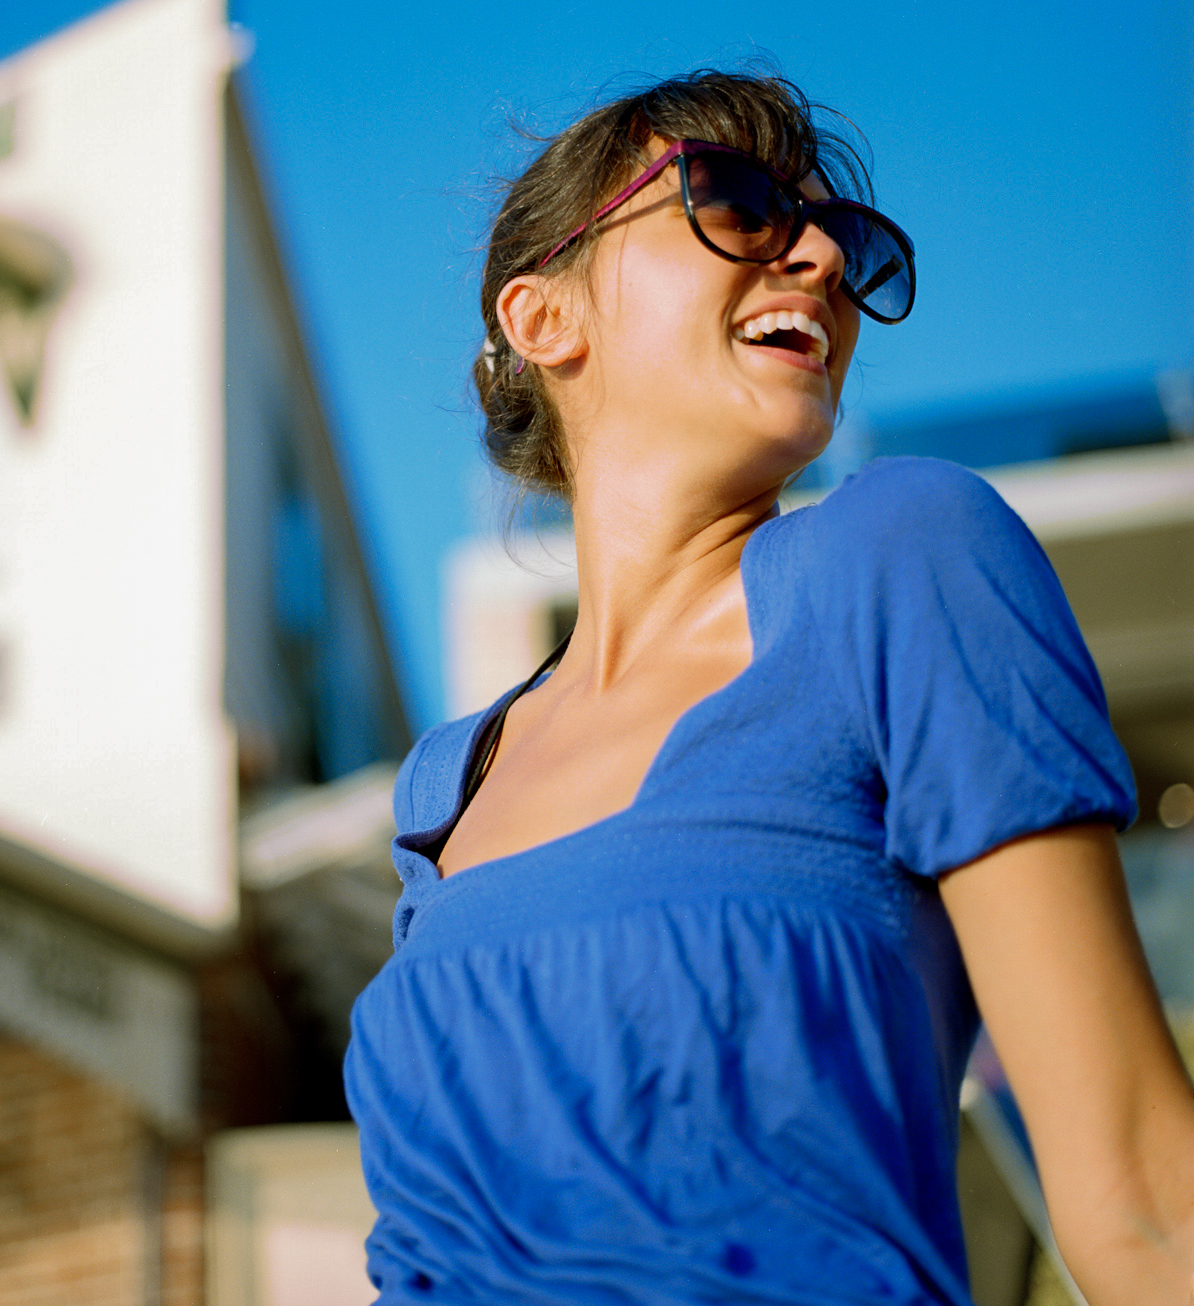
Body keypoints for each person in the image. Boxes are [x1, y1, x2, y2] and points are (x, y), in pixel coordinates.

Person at [343, 70, 1194, 1304]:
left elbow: (1142, 1194)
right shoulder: (445, 781)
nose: (817, 259)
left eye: (844, 240)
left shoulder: (904, 556)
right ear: (543, 317)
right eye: (737, 203)